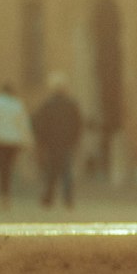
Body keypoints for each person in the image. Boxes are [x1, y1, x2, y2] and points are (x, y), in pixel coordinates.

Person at [32, 72, 84, 209]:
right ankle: (67, 199)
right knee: (66, 172)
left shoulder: (47, 105)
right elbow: (78, 124)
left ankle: (48, 198)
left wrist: (41, 142)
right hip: (66, 143)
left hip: (51, 144)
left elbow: (40, 125)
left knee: (51, 172)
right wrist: (75, 140)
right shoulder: (71, 105)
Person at [0, 84, 33, 211]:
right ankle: (6, 194)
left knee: (1, 168)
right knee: (8, 168)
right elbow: (24, 124)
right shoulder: (17, 104)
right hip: (13, 141)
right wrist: (28, 140)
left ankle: (3, 196)